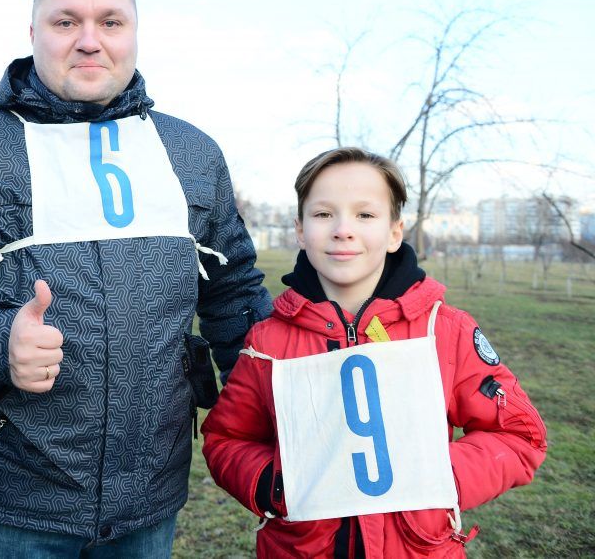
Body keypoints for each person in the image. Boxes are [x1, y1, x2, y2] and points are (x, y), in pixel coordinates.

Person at [0, 0, 273, 557]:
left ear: (135, 31)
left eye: (110, 21)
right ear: (33, 33)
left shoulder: (193, 152)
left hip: (149, 496)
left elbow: (236, 294)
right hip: (14, 500)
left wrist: (277, 404)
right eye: (65, 21)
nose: (89, 41)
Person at [201, 147, 547, 558]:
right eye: (323, 214)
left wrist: (440, 475)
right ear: (299, 229)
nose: (343, 229)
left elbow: (519, 434)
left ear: (395, 231)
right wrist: (274, 483)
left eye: (365, 215)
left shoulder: (445, 331)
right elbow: (227, 438)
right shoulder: (269, 343)